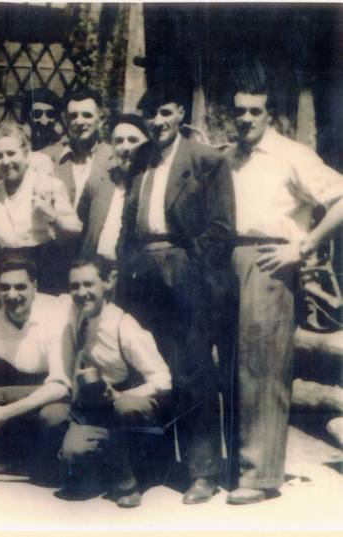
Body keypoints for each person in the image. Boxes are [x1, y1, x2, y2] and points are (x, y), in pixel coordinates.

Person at [223, 82, 343, 505]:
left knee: (264, 367)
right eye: (240, 111)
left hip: (271, 263)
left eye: (255, 112)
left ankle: (260, 476)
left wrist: (302, 246)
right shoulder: (230, 156)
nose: (246, 119)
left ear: (269, 115)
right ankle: (236, 465)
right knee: (233, 366)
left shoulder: (292, 155)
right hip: (228, 260)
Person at [117, 85, 234, 505]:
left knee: (193, 371)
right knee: (151, 369)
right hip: (142, 277)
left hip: (186, 274)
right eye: (150, 116)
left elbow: (221, 228)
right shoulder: (140, 162)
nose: (158, 123)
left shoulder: (206, 161)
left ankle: (204, 471)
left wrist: (191, 270)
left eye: (165, 113)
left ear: (180, 112)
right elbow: (127, 227)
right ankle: (158, 467)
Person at [57, 257, 171, 508]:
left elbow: (163, 378)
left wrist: (123, 395)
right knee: (72, 451)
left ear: (108, 283)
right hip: (96, 404)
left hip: (130, 401)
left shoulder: (124, 325)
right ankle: (106, 468)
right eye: (74, 286)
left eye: (89, 284)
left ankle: (132, 480)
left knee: (125, 409)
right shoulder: (76, 316)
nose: (81, 293)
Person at [0, 253, 72, 479]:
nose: (12, 295)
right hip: (9, 390)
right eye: (5, 287)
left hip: (49, 393)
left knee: (53, 417)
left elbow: (60, 385)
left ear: (34, 286)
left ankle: (34, 464)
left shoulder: (56, 313)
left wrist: (4, 414)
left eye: (20, 287)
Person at [0, 121, 81, 294]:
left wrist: (52, 216)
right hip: (8, 276)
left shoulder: (48, 185)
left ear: (26, 153)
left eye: (11, 153)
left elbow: (74, 231)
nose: (6, 161)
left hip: (46, 275)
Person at [76, 114, 153, 269]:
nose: (125, 147)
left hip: (134, 275)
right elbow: (80, 228)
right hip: (96, 271)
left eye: (133, 140)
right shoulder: (98, 181)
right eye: (118, 141)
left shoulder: (156, 184)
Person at [53, 87, 115, 208]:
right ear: (66, 120)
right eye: (73, 116)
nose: (80, 122)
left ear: (101, 119)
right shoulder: (52, 158)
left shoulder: (112, 159)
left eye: (87, 115)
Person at [22, 87, 67, 162]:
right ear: (28, 116)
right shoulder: (21, 145)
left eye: (50, 114)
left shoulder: (62, 148)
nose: (44, 121)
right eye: (37, 114)